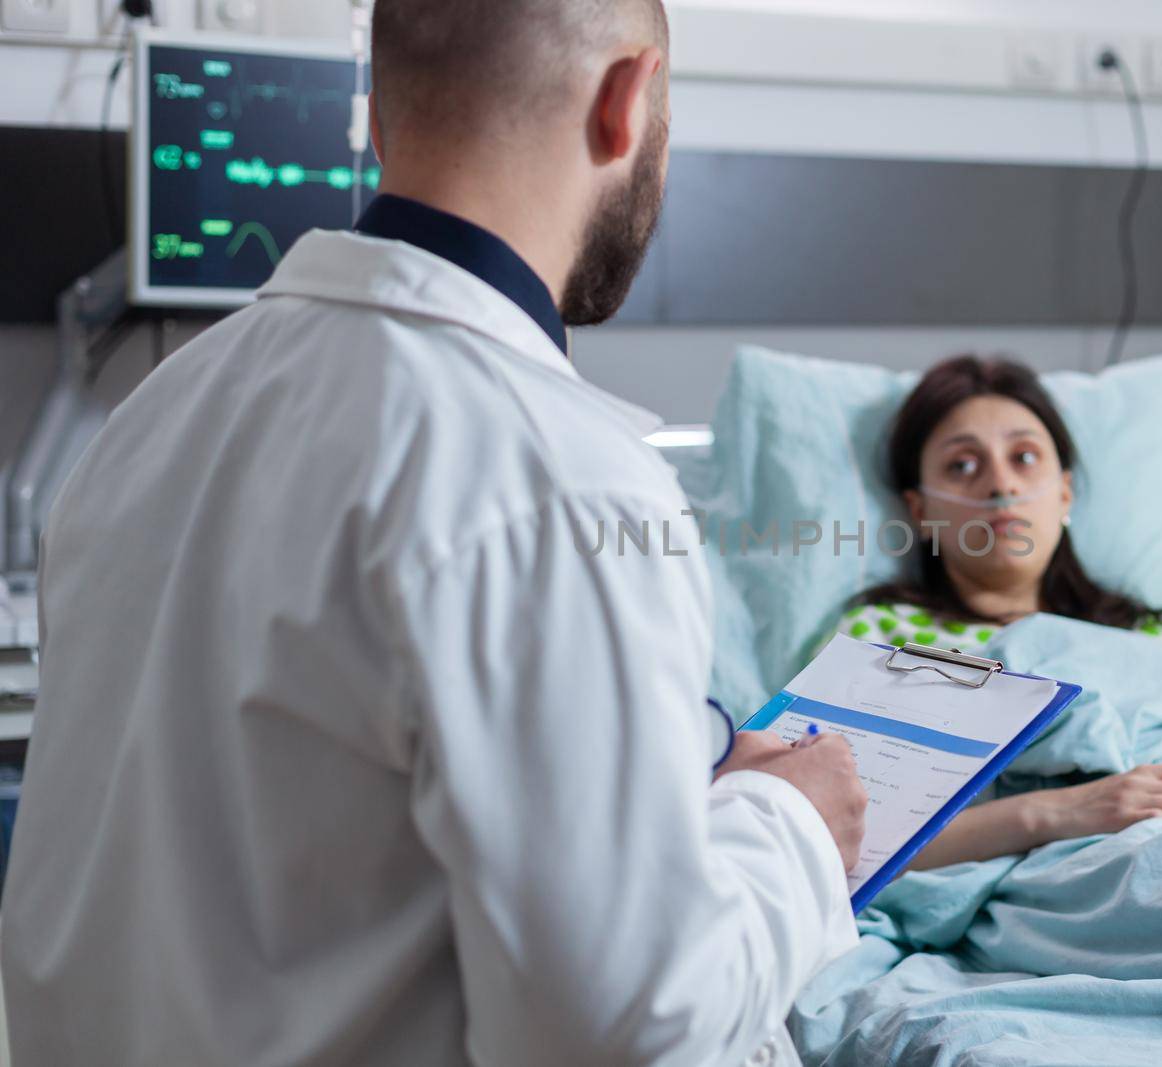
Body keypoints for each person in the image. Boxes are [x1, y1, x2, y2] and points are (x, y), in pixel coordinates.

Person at [2, 3, 866, 1065]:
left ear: (379, 124)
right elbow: (630, 1028)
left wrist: (690, 743)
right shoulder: (563, 479)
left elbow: (305, 754)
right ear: (626, 100)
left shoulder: (149, 420)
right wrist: (792, 826)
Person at [830, 355, 1162, 870]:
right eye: (963, 466)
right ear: (920, 511)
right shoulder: (888, 637)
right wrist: (1060, 810)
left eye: (1025, 457)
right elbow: (851, 838)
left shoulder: (1156, 635)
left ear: (1064, 493)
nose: (1001, 486)